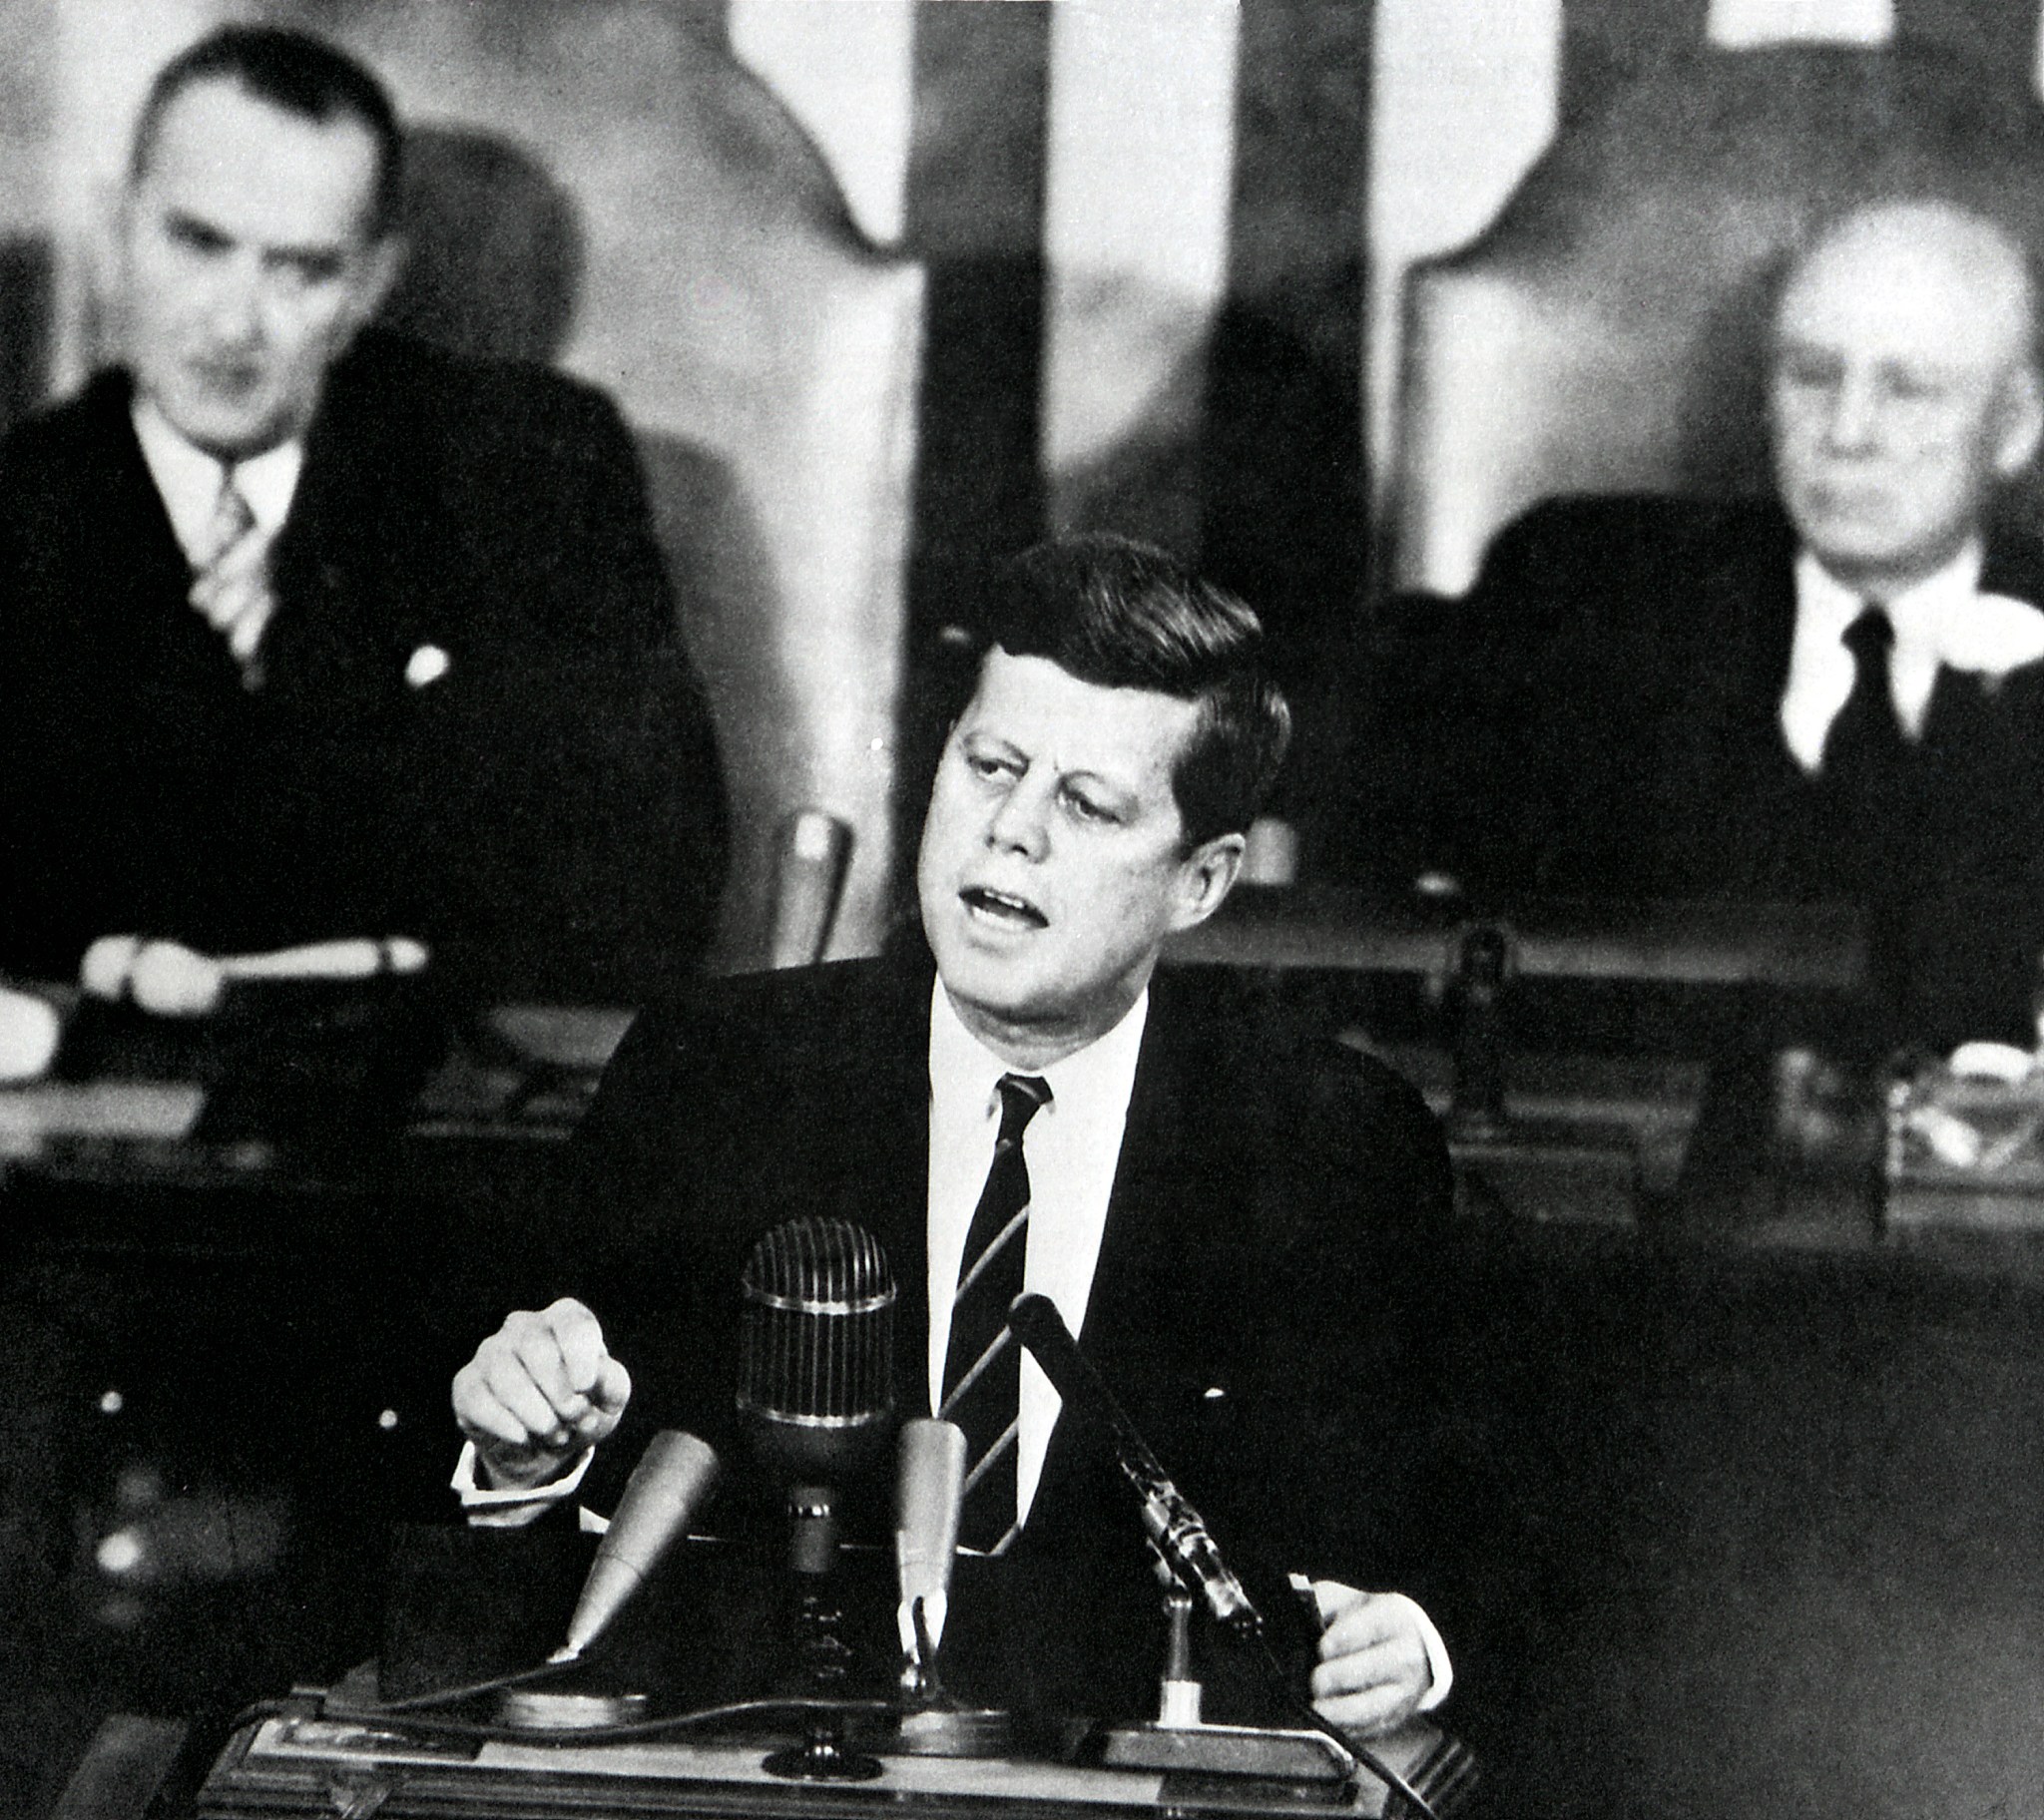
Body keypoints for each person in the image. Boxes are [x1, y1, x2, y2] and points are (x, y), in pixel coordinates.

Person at [449, 536, 1482, 1743]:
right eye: (989, 765)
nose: (1010, 833)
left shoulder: (1333, 1145)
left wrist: (1406, 1639)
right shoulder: (711, 1077)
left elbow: (1446, 1542)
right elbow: (538, 1570)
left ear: (1199, 881)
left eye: (1085, 805)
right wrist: (524, 1463)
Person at [0, 25, 728, 1004]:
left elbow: (645, 884)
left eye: (301, 269)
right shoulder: (23, 505)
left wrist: (348, 672)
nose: (235, 321)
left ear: (372, 283)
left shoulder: (526, 472)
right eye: (199, 242)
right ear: (117, 228)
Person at [1433, 197, 2044, 1046]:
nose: (1847, 431)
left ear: (2014, 425)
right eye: (1812, 374)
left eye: (1909, 389)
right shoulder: (1579, 597)